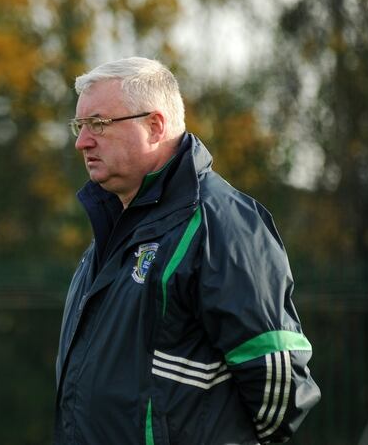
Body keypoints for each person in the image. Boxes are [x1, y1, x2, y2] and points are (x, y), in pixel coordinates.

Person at [54, 57, 320, 445]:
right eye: (80, 126)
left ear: (155, 125)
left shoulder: (221, 221)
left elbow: (278, 380)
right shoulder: (112, 226)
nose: (82, 141)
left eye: (99, 124)